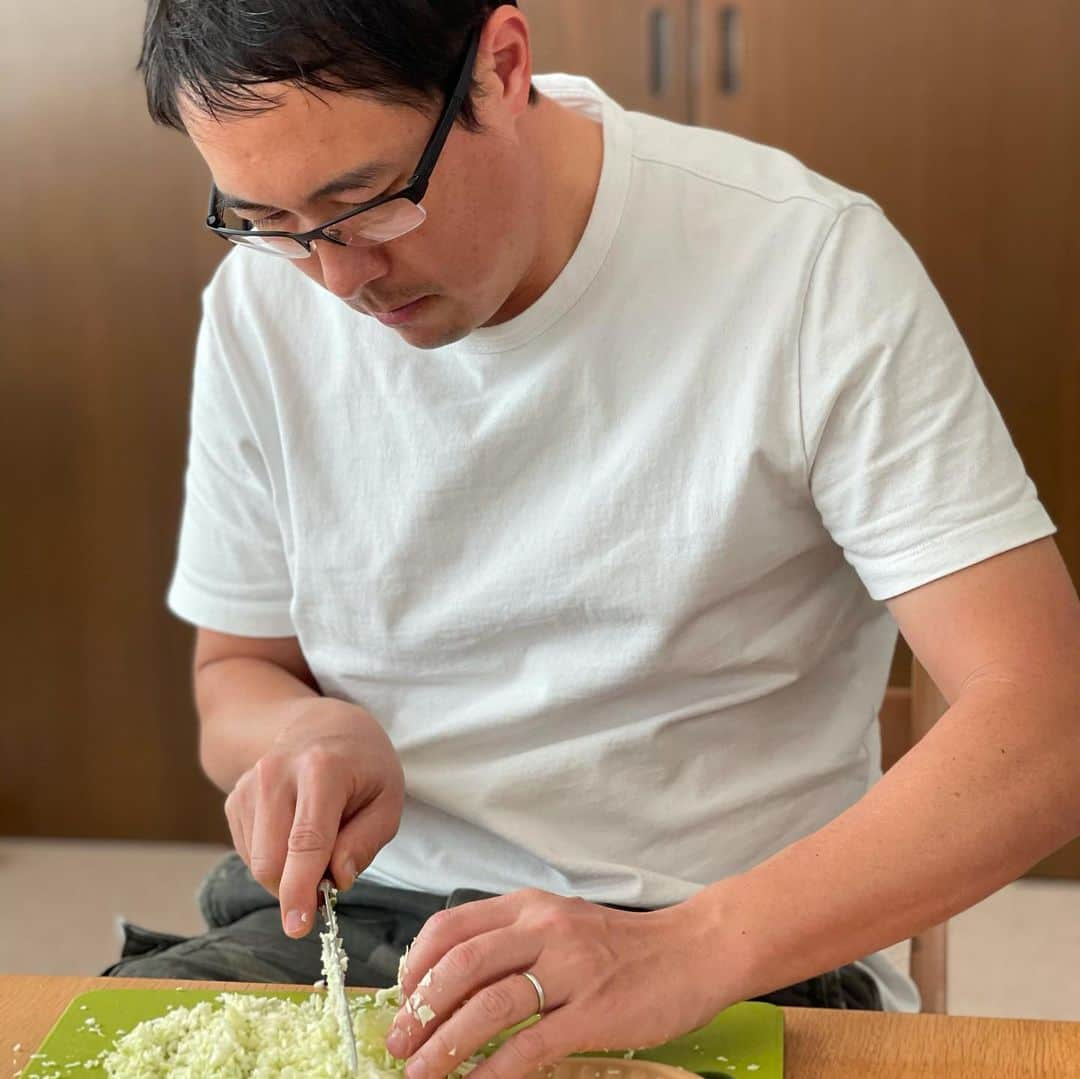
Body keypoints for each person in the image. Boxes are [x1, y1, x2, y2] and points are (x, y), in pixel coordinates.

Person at [107, 0, 1080, 1073]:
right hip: (362, 928)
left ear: (502, 67)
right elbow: (236, 670)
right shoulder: (263, 299)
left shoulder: (803, 267)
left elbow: (1049, 721)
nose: (336, 281)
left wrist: (686, 946)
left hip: (730, 939)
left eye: (367, 202)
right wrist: (295, 732)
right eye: (266, 220)